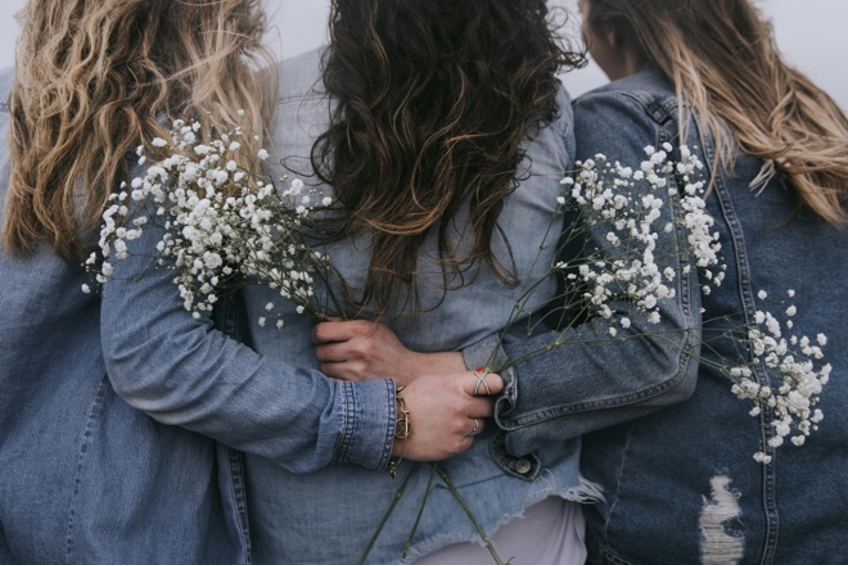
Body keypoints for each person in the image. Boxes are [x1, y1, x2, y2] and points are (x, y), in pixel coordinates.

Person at [321, 0, 848, 563]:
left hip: (684, 521)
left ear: (613, 27)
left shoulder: (627, 118)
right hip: (823, 511)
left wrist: (449, 371)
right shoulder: (818, 122)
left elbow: (654, 349)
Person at [1, 0, 491, 563]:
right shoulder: (163, 126)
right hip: (117, 535)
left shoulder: (21, 104)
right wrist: (388, 420)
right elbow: (151, 351)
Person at [229, 0, 596, 564]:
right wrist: (474, 364)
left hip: (322, 526)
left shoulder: (253, 101)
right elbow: (585, 321)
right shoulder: (548, 113)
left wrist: (421, 372)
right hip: (506, 513)